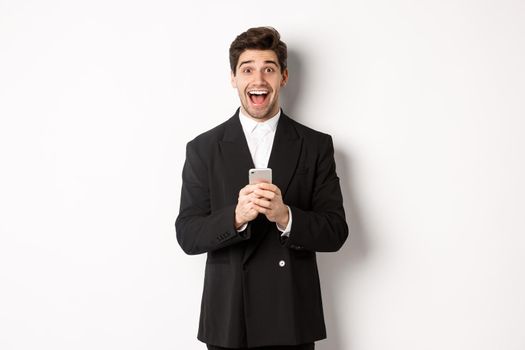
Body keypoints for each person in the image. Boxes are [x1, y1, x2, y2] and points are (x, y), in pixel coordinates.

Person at [175, 27, 348, 350]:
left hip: (291, 318)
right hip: (229, 320)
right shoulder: (203, 148)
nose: (258, 79)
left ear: (283, 77)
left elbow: (336, 232)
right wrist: (235, 217)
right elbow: (187, 234)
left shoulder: (315, 145)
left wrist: (286, 217)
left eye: (268, 69)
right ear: (233, 78)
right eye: (247, 69)